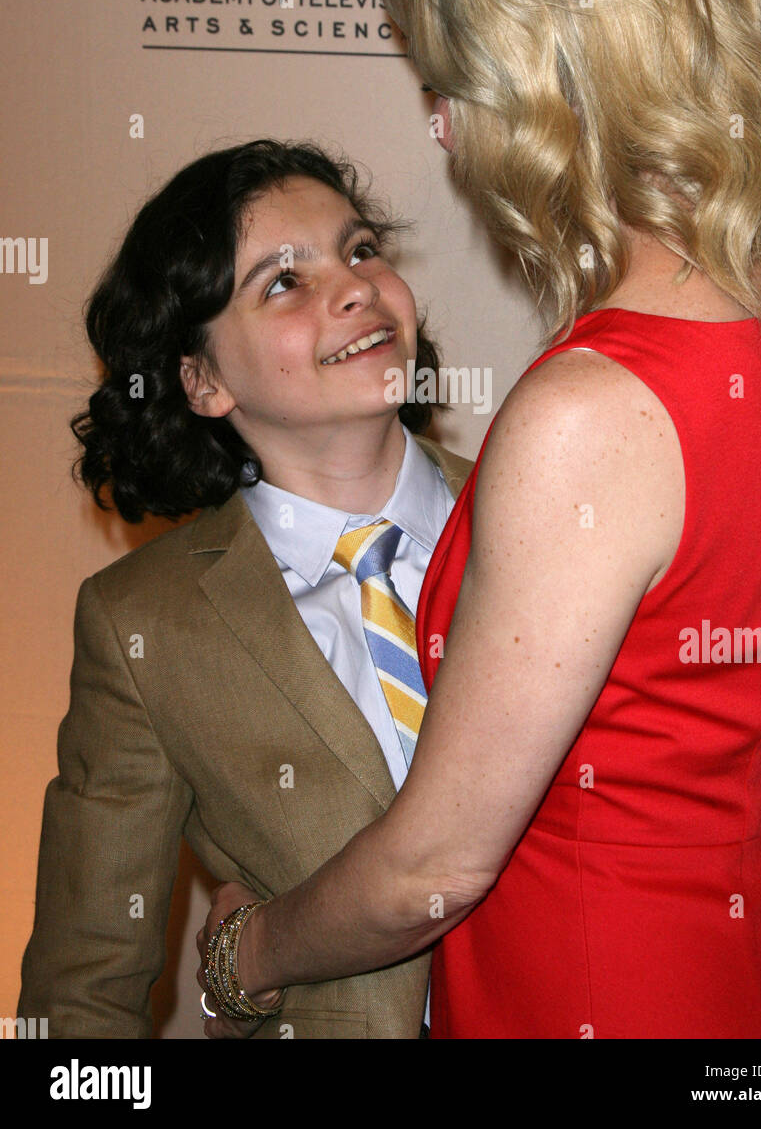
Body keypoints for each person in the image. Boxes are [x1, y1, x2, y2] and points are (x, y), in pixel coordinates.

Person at [196, 0, 761, 1039]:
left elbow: (431, 869)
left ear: (548, 83)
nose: (442, 127)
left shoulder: (588, 414)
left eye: (447, 83)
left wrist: (248, 950)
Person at [17, 138, 473, 1039]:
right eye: (282, 283)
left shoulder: (549, 513)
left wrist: (244, 960)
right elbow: (85, 990)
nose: (353, 287)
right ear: (204, 381)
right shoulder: (142, 626)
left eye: (361, 248)